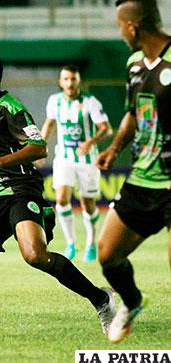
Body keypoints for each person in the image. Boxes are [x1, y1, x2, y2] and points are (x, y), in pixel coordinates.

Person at [0, 50, 116, 342]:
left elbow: (39, 147)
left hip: (20, 188)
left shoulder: (9, 108)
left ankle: (101, 299)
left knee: (34, 255)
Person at [96, 0, 171, 343]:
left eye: (119, 26)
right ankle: (132, 302)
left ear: (132, 27)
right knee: (108, 254)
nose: (119, 32)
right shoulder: (133, 64)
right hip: (144, 176)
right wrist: (114, 148)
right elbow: (132, 112)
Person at [39, 65, 112, 262]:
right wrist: (40, 146)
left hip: (87, 160)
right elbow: (50, 123)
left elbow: (106, 129)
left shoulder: (90, 102)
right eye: (66, 79)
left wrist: (90, 141)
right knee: (61, 198)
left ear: (78, 81)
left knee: (87, 203)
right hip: (64, 158)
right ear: (60, 82)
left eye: (73, 79)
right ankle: (70, 243)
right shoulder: (54, 101)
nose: (70, 83)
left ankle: (90, 243)